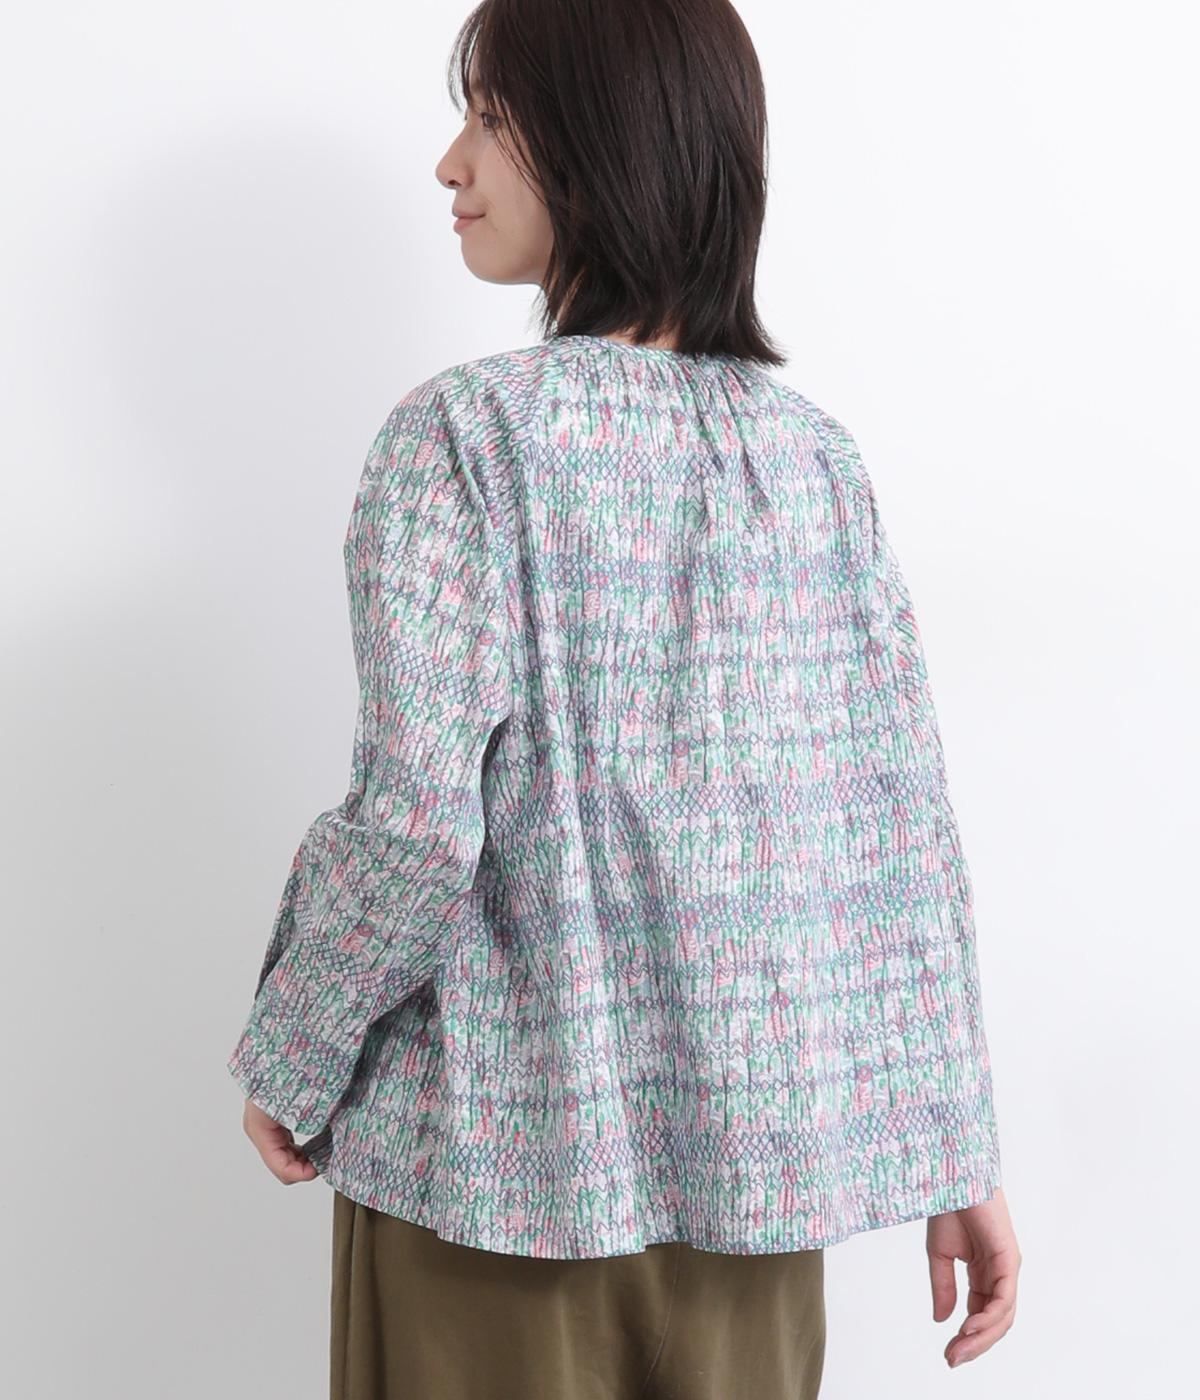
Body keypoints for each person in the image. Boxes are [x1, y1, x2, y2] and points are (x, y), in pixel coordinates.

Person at [226, 1, 1022, 1395]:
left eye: (488, 118)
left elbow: (417, 829)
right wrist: (958, 1149)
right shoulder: (813, 463)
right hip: (754, 1204)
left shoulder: (466, 438)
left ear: (603, 141)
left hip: (492, 1191)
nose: (450, 163)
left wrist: (294, 1052)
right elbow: (896, 830)